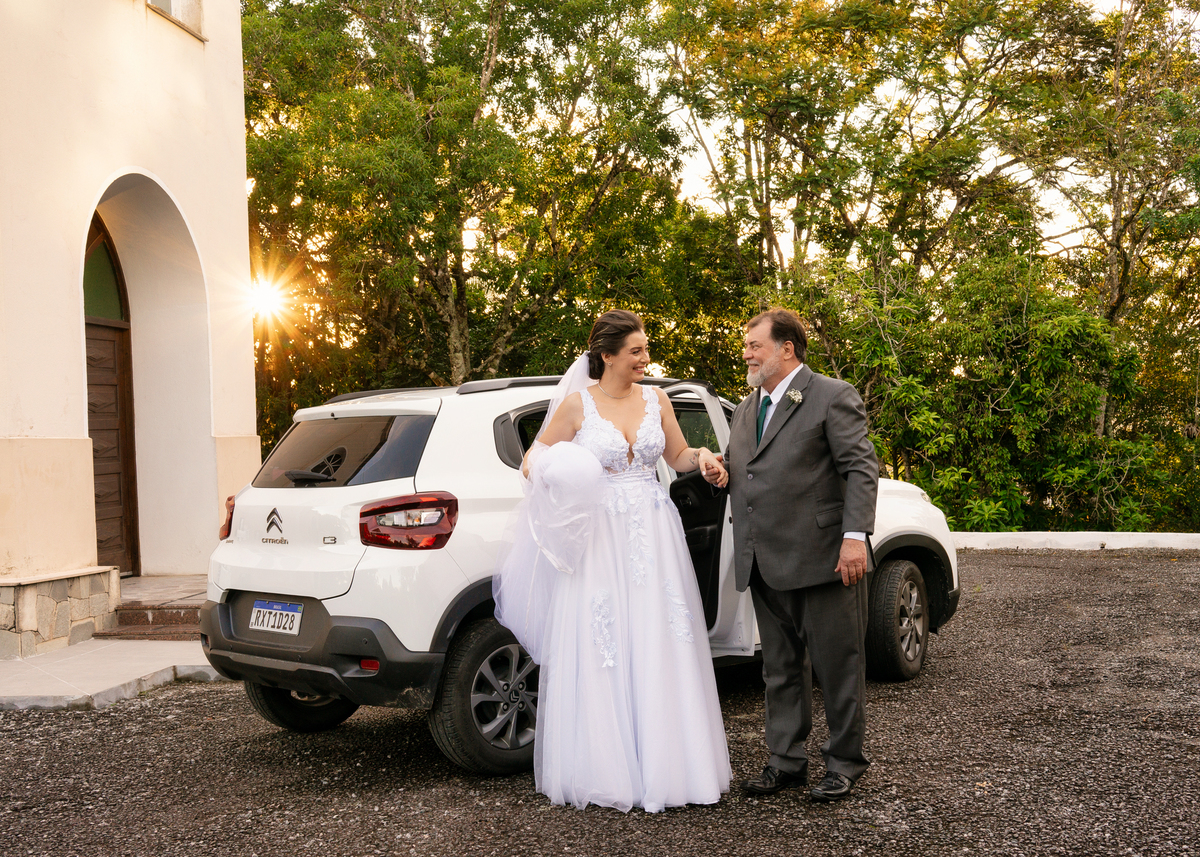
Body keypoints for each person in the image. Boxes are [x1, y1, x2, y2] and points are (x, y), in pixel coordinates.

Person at [494, 309, 732, 813]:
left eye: (645, 349)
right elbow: (533, 460)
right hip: (599, 536)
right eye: (636, 351)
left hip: (653, 530)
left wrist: (704, 459)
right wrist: (566, 473)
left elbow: (677, 456)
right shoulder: (577, 405)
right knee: (606, 639)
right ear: (607, 355)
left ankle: (669, 767)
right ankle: (607, 770)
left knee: (659, 634)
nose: (645, 359)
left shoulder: (656, 400)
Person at [720, 307, 879, 802]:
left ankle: (844, 763)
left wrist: (854, 537)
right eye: (746, 346)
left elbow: (860, 468)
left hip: (824, 559)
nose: (747, 354)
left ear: (786, 348)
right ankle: (785, 761)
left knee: (838, 668)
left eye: (755, 346)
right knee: (780, 671)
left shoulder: (832, 395)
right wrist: (720, 471)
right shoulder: (746, 408)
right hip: (763, 563)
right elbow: (748, 471)